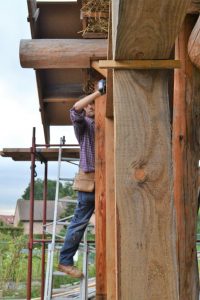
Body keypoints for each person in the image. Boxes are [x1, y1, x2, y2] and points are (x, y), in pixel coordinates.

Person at [58, 79, 106, 278]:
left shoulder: (105, 123)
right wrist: (98, 93)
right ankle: (65, 261)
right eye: (88, 105)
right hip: (89, 181)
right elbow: (75, 109)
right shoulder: (83, 125)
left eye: (93, 105)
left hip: (107, 181)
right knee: (79, 222)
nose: (90, 107)